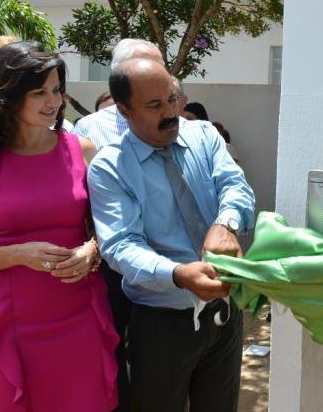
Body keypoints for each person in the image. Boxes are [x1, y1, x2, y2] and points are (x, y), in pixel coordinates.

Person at [88, 58, 255, 411]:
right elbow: (120, 246)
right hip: (161, 321)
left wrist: (225, 224)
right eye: (154, 105)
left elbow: (234, 185)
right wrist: (178, 274)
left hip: (224, 314)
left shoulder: (204, 135)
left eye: (172, 98)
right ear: (124, 110)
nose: (170, 112)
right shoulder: (110, 167)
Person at [0, 41, 118, 411]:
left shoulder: (81, 149)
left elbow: (109, 228)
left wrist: (91, 251)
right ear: (9, 96)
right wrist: (18, 253)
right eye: (39, 92)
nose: (52, 100)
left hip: (77, 314)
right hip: (7, 323)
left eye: (56, 89)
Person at [72, 38, 165, 412]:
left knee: (158, 369)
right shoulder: (88, 131)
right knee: (113, 361)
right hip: (111, 272)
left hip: (166, 271)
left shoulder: (178, 127)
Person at [74, 38, 164, 150]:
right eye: (146, 69)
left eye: (161, 68)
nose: (159, 77)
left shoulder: (183, 129)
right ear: (119, 76)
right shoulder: (88, 128)